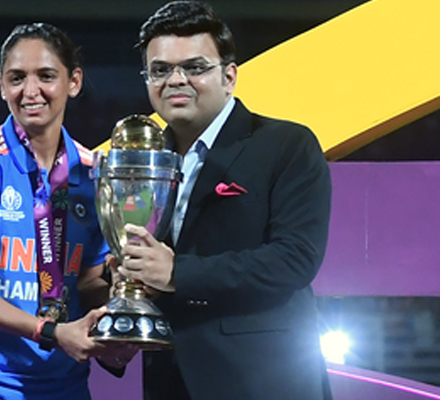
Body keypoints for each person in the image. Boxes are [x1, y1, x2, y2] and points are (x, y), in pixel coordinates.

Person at [118, 2, 334, 399]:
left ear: (229, 76)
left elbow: (294, 260)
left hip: (263, 382)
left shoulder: (286, 144)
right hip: (169, 379)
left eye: (195, 67)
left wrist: (176, 273)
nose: (176, 80)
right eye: (160, 70)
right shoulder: (143, 161)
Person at [0, 22, 134, 400]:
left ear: (74, 82)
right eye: (17, 78)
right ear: (1, 85)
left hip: (63, 382)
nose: (30, 91)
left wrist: (120, 308)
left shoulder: (92, 173)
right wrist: (49, 331)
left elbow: (87, 282)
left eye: (46, 76)